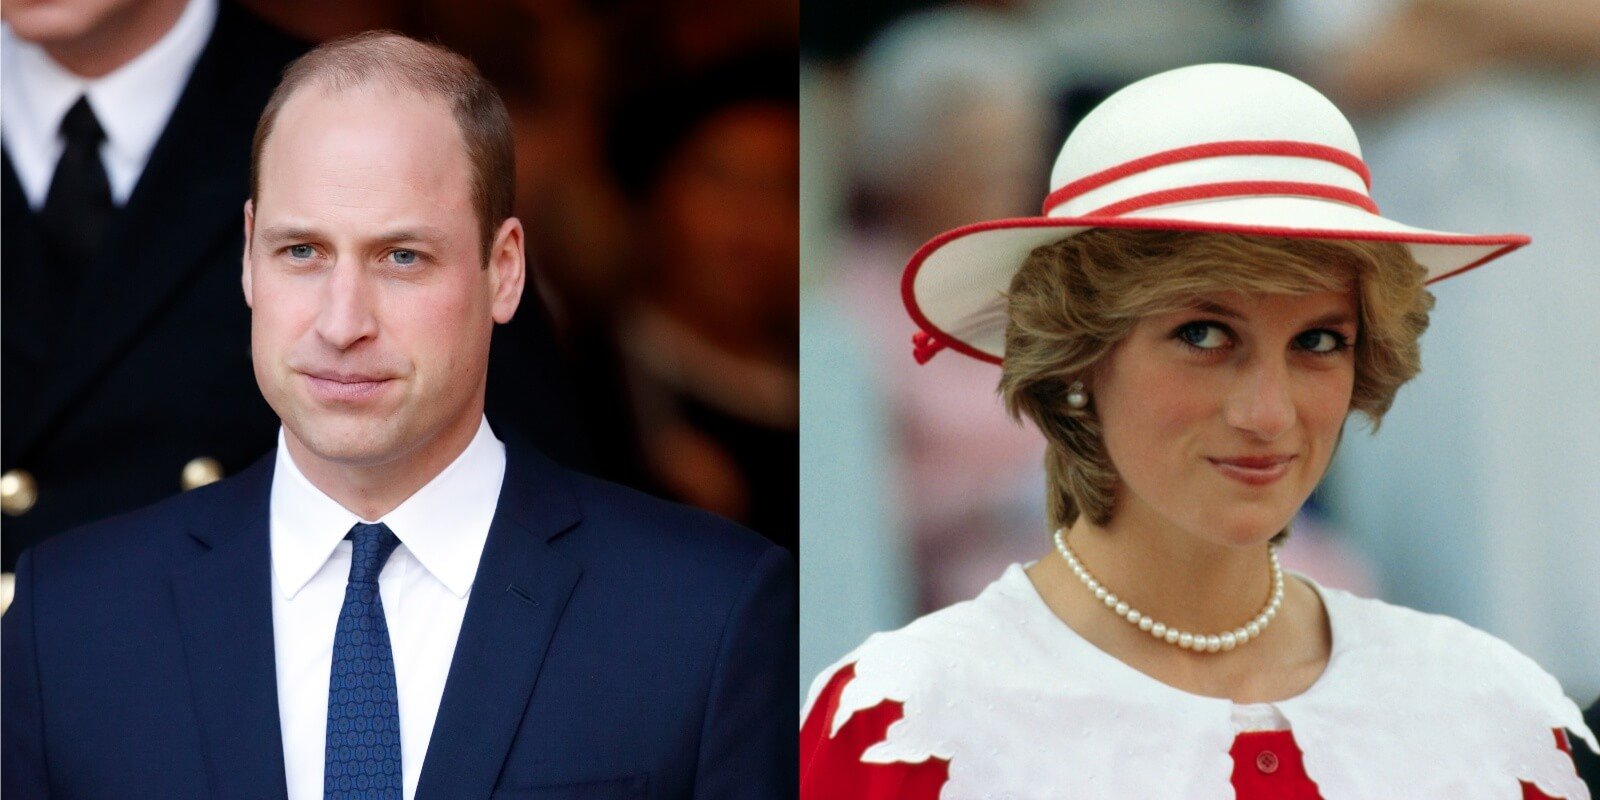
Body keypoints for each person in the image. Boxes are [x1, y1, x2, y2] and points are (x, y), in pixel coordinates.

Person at [2, 32, 796, 800]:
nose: (342, 322)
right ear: (247, 258)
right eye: (302, 252)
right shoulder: (67, 620)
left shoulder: (706, 613)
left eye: (402, 257)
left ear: (505, 270)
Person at [799, 63, 1595, 798]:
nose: (1269, 413)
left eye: (1319, 342)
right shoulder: (902, 722)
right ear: (1078, 355)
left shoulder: (1494, 713)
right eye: (1204, 336)